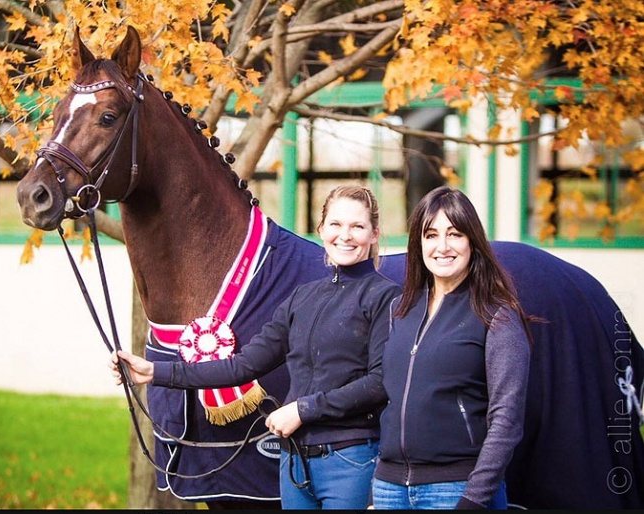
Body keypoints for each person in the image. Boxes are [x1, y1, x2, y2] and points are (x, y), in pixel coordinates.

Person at [110, 185, 402, 510]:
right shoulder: (302, 298)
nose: (344, 235)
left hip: (348, 462)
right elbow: (243, 366)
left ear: (374, 234)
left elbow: (379, 383)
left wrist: (303, 410)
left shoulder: (384, 297)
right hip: (294, 464)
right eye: (335, 224)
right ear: (321, 229)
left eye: (357, 227)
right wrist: (155, 372)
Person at [372, 186, 533, 510]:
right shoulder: (399, 310)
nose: (442, 246)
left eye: (454, 234)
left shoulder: (496, 316)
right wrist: (375, 490)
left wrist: (474, 499)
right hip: (390, 489)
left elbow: (507, 419)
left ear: (472, 240)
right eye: (431, 235)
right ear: (419, 243)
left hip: (455, 488)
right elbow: (389, 402)